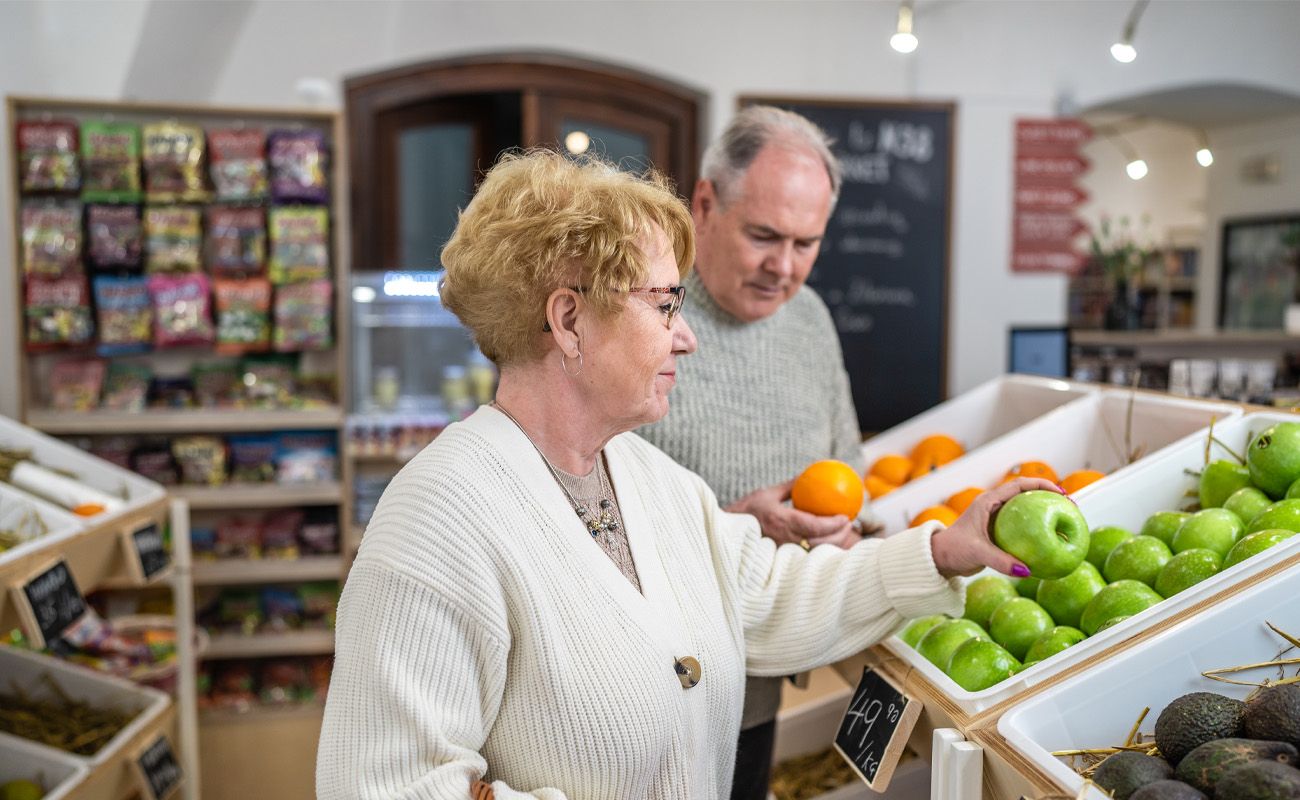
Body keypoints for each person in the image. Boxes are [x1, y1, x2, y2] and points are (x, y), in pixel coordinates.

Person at [316, 149, 1052, 800]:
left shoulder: (646, 475)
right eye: (666, 303)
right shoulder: (438, 522)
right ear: (569, 321)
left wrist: (940, 550)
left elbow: (764, 596)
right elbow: (392, 784)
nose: (688, 335)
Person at [635, 105, 884, 799]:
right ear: (706, 204)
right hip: (642, 690)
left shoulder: (809, 320)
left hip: (758, 683)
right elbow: (575, 505)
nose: (784, 267)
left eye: (807, 244)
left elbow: (847, 464)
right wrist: (735, 524)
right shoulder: (640, 311)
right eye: (764, 236)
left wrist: (844, 533)